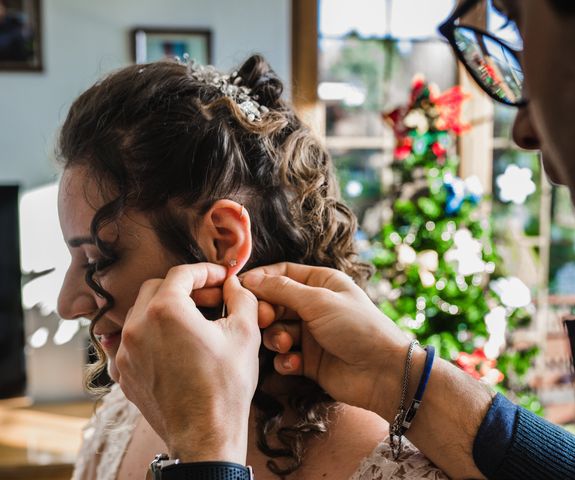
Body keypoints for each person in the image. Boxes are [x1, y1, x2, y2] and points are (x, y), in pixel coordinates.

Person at [105, 0, 575, 479]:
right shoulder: (119, 418)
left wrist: (206, 459)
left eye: (519, 31)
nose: (521, 128)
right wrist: (398, 374)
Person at [56, 55, 449, 479]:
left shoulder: (398, 468)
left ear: (223, 241)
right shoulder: (129, 410)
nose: (67, 304)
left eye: (98, 259)